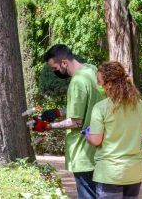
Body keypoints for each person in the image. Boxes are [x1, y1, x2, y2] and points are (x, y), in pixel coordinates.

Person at [32, 44, 105, 198]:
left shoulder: (77, 82)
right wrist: (58, 112)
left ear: (64, 62)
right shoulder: (91, 70)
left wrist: (47, 126)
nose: (54, 72)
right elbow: (87, 104)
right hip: (100, 151)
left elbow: (76, 122)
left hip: (84, 153)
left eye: (54, 68)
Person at [86, 61, 142, 199]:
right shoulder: (139, 104)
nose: (98, 85)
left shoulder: (101, 108)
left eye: (99, 81)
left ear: (108, 84)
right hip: (134, 172)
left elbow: (96, 140)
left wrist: (87, 134)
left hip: (110, 173)